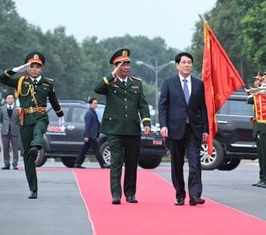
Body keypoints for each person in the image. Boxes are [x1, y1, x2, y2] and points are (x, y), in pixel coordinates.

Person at [0, 52, 64, 199]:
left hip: (41, 116)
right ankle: (33, 188)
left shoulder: (48, 83)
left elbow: (54, 101)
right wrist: (17, 69)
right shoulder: (21, 81)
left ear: (41, 69)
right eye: (31, 66)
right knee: (27, 156)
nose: (34, 69)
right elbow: (0, 78)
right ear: (28, 68)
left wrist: (61, 115)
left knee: (39, 131)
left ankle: (36, 146)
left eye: (37, 67)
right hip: (25, 119)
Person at [94, 48, 152, 205]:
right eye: (122, 65)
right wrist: (112, 74)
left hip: (132, 130)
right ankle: (116, 194)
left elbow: (143, 105)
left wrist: (146, 123)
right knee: (116, 161)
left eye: (128, 64)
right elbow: (97, 88)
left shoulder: (136, 84)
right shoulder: (109, 82)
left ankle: (130, 193)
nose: (126, 67)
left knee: (132, 163)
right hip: (114, 129)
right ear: (116, 66)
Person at [158, 52, 209, 206]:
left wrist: (205, 129)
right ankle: (180, 194)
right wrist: (163, 125)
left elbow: (203, 108)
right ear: (177, 65)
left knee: (195, 163)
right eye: (184, 62)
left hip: (193, 129)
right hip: (174, 129)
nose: (187, 65)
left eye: (189, 62)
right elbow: (163, 107)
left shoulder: (198, 84)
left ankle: (195, 195)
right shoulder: (169, 83)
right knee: (177, 163)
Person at [73, 98, 110, 169]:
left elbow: (97, 124)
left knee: (84, 150)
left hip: (92, 135)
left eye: (96, 103)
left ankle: (77, 163)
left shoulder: (93, 112)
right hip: (90, 135)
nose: (96, 105)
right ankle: (103, 164)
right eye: (94, 103)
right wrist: (86, 135)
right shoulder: (89, 113)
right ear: (90, 104)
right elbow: (88, 125)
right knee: (97, 150)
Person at [0, 94, 20, 170]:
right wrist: (5, 125)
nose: (10, 99)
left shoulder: (17, 108)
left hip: (15, 131)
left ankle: (15, 164)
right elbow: (1, 119)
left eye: (11, 98)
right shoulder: (2, 108)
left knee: (15, 149)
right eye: (8, 98)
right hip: (5, 131)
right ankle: (6, 164)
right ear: (6, 100)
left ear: (13, 100)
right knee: (5, 148)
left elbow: (20, 119)